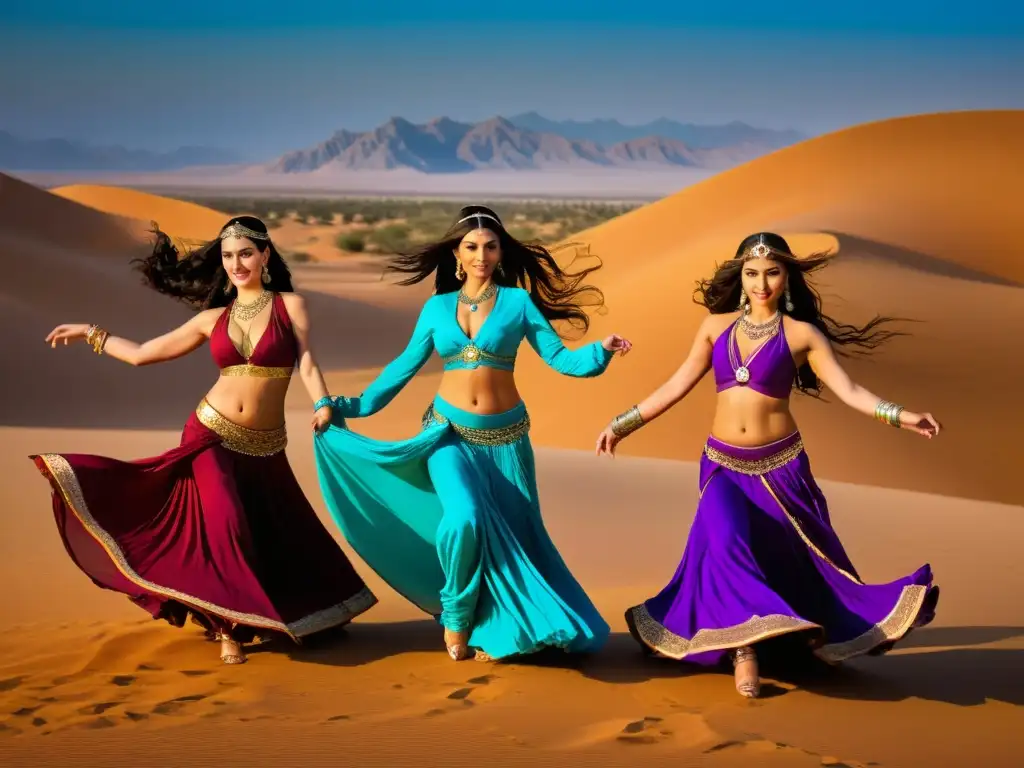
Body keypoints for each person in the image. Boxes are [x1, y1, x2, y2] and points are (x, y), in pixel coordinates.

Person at [596, 232, 940, 698]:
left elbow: (850, 391)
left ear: (787, 278)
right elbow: (676, 385)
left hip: (781, 469)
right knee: (725, 539)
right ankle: (745, 652)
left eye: (772, 273)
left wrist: (901, 416)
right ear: (741, 277)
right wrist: (623, 424)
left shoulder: (802, 335)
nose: (761, 284)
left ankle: (785, 637)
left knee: (793, 562)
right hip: (722, 465)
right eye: (752, 274)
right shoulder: (714, 327)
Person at [33, 216, 376, 665]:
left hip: (266, 444)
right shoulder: (211, 318)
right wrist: (92, 334)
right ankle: (226, 626)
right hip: (209, 433)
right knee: (227, 524)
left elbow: (307, 363)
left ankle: (277, 614)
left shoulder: (291, 307)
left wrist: (323, 403)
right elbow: (142, 355)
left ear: (265, 256)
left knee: (272, 532)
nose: (237, 264)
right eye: (228, 256)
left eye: (246, 253)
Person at [313, 205, 631, 662]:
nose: (481, 255)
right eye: (471, 247)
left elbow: (562, 360)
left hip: (506, 443)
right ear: (457, 256)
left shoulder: (518, 303)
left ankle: (505, 625)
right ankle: (457, 616)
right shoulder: (437, 307)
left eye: (490, 246)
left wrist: (600, 351)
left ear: (501, 253)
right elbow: (402, 369)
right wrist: (344, 406)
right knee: (463, 519)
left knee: (519, 540)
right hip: (446, 434)